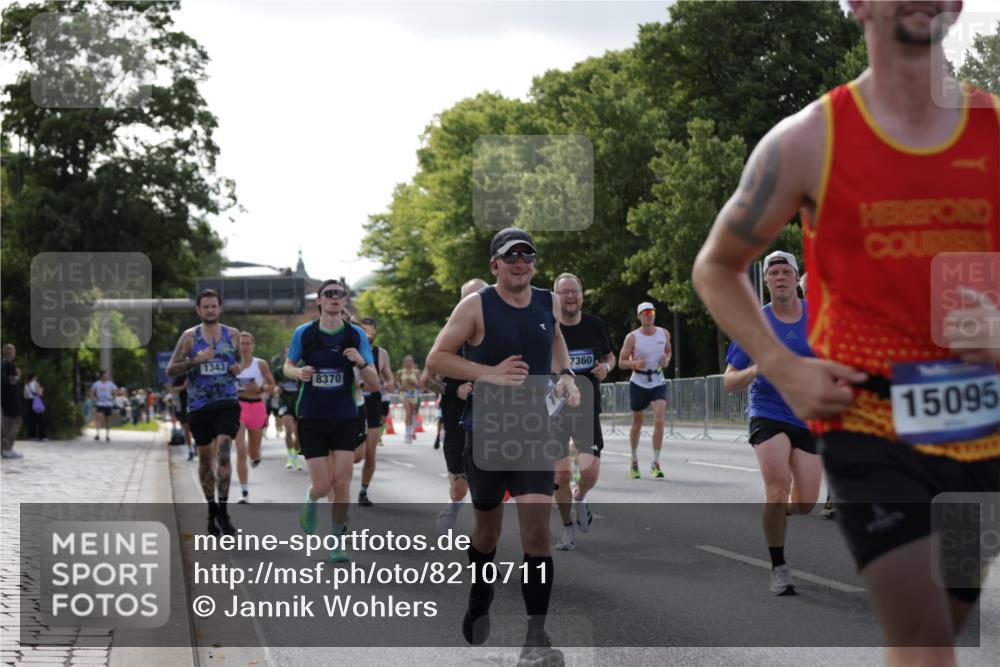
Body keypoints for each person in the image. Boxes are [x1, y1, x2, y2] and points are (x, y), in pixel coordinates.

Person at [692, 2, 998, 661]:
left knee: (942, 623)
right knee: (921, 636)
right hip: (869, 421)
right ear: (856, 4)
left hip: (981, 424)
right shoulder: (808, 140)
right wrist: (782, 363)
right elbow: (716, 266)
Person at [426, 227, 579, 665]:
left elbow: (554, 337)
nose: (520, 263)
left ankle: (535, 638)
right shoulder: (476, 305)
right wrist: (488, 372)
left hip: (534, 432)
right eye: (511, 256)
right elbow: (437, 358)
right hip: (487, 433)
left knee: (537, 534)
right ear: (495, 265)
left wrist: (565, 374)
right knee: (488, 532)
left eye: (527, 256)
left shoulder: (547, 301)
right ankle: (481, 593)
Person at [723, 251, 821, 595]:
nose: (780, 277)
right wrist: (755, 369)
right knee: (777, 486)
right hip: (768, 411)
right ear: (765, 282)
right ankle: (779, 566)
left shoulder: (819, 316)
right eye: (773, 272)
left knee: (806, 503)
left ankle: (777, 513)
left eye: (785, 271)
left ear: (796, 278)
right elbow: (729, 380)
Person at [287, 279, 379, 563]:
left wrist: (361, 363)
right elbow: (288, 365)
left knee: (342, 483)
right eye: (329, 294)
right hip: (312, 417)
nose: (335, 298)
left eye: (340, 294)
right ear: (320, 301)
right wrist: (298, 373)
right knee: (323, 486)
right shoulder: (304, 333)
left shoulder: (355, 336)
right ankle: (311, 498)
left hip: (344, 417)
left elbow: (375, 385)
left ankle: (336, 542)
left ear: (345, 300)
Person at [166, 289, 242, 537]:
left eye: (214, 306)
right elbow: (171, 369)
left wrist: (236, 368)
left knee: (223, 456)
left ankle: (224, 512)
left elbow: (238, 362)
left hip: (227, 403)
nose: (210, 310)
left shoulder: (233, 335)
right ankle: (211, 511)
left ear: (220, 309)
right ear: (198, 310)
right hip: (199, 407)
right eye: (205, 307)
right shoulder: (189, 337)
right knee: (206, 462)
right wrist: (195, 361)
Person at [551, 273, 615, 552]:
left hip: (587, 409)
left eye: (574, 291)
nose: (569, 296)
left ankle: (581, 497)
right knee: (561, 476)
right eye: (563, 292)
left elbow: (610, 356)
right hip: (554, 411)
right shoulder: (548, 328)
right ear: (556, 296)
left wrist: (607, 368)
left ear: (582, 294)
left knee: (589, 471)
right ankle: (567, 529)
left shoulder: (594, 325)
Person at [435, 278, 488, 535]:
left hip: (493, 424)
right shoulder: (450, 336)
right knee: (460, 488)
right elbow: (427, 379)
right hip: (457, 422)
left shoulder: (500, 333)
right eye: (472, 299)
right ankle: (453, 507)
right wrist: (454, 389)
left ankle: (485, 546)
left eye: (484, 297)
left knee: (488, 492)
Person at [618, 302, 672, 479]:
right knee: (637, 423)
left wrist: (666, 361)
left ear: (655, 315)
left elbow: (668, 351)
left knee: (659, 419)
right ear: (639, 316)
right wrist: (634, 364)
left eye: (651, 312)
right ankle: (633, 460)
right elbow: (621, 362)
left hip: (657, 380)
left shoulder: (663, 333)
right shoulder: (632, 337)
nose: (648, 315)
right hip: (639, 381)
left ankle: (656, 462)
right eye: (644, 313)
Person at [356, 317, 395, 507]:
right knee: (356, 455)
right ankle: (339, 486)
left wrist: (387, 383)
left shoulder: (381, 354)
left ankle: (363, 491)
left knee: (370, 452)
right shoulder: (350, 351)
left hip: (373, 404)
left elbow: (389, 378)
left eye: (371, 330)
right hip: (353, 403)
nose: (368, 333)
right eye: (364, 330)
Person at [234, 331, 275, 503]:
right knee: (240, 450)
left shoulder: (260, 364)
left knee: (253, 452)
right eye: (241, 344)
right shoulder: (233, 364)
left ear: (252, 345)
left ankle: (256, 457)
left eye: (247, 343)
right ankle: (244, 492)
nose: (244, 347)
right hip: (238, 406)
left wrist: (259, 389)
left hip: (257, 407)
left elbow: (272, 385)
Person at [272, 347, 302, 470]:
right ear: (284, 356)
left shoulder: (301, 369)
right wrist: (276, 390)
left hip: (299, 404)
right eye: (287, 353)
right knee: (288, 430)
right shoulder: (279, 371)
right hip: (285, 403)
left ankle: (296, 455)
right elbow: (275, 386)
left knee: (298, 434)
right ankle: (291, 456)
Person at [1, 344, 23, 459]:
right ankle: (8, 448)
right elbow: (10, 381)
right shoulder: (9, 365)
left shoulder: (2, 364)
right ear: (11, 353)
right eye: (14, 351)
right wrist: (18, 375)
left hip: (4, 399)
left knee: (6, 423)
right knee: (17, 421)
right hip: (11, 400)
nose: (15, 353)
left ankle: (4, 448)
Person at [396, 355, 423, 443]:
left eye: (410, 361)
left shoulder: (416, 372)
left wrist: (414, 383)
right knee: (408, 413)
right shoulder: (400, 372)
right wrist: (400, 387)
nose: (409, 363)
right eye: (407, 361)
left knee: (412, 414)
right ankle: (407, 434)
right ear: (404, 362)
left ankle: (411, 432)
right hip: (404, 393)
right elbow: (397, 382)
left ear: (412, 362)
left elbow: (420, 385)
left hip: (413, 393)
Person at [170, 374, 195, 461]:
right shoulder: (181, 377)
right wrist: (184, 387)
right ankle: (190, 450)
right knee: (186, 430)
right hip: (184, 407)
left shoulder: (198, 373)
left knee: (197, 429)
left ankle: (197, 445)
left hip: (197, 406)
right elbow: (172, 389)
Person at [90, 371, 117, 441]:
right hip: (100, 404)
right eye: (105, 375)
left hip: (108, 404)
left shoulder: (110, 384)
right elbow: (92, 391)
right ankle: (98, 434)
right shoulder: (97, 384)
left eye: (107, 375)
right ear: (101, 376)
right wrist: (95, 398)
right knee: (99, 418)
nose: (107, 376)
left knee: (107, 420)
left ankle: (107, 435)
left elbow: (116, 390)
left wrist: (112, 396)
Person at [22, 373, 48, 441]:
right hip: (36, 402)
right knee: (41, 419)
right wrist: (42, 389)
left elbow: (25, 396)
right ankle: (43, 436)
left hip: (29, 403)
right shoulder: (36, 383)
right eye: (36, 377)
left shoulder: (26, 385)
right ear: (33, 377)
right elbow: (39, 393)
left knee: (31, 420)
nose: (37, 378)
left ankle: (32, 436)